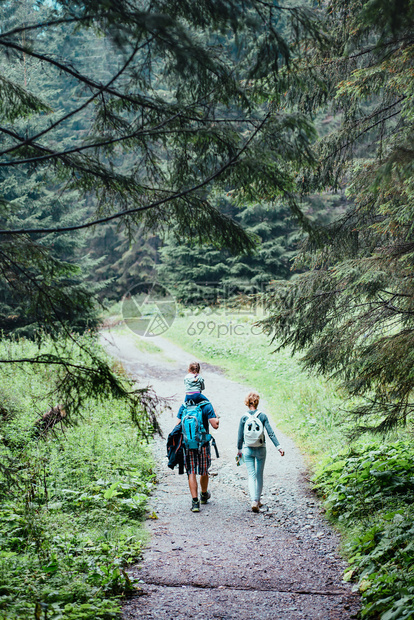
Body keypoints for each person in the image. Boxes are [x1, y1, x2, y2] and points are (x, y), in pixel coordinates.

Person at [237, 391, 284, 512]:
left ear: (247, 403)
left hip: (248, 449)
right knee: (259, 475)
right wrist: (279, 447)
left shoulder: (244, 417)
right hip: (261, 449)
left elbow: (240, 436)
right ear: (257, 402)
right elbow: (270, 432)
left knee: (251, 476)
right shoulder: (262, 416)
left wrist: (239, 450)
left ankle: (253, 500)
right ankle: (257, 500)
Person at [176, 399, 219, 512]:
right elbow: (215, 425)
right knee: (204, 470)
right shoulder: (206, 405)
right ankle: (204, 495)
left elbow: (177, 425)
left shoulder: (184, 406)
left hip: (188, 444)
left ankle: (195, 503)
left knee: (191, 471)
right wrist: (216, 415)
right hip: (203, 444)